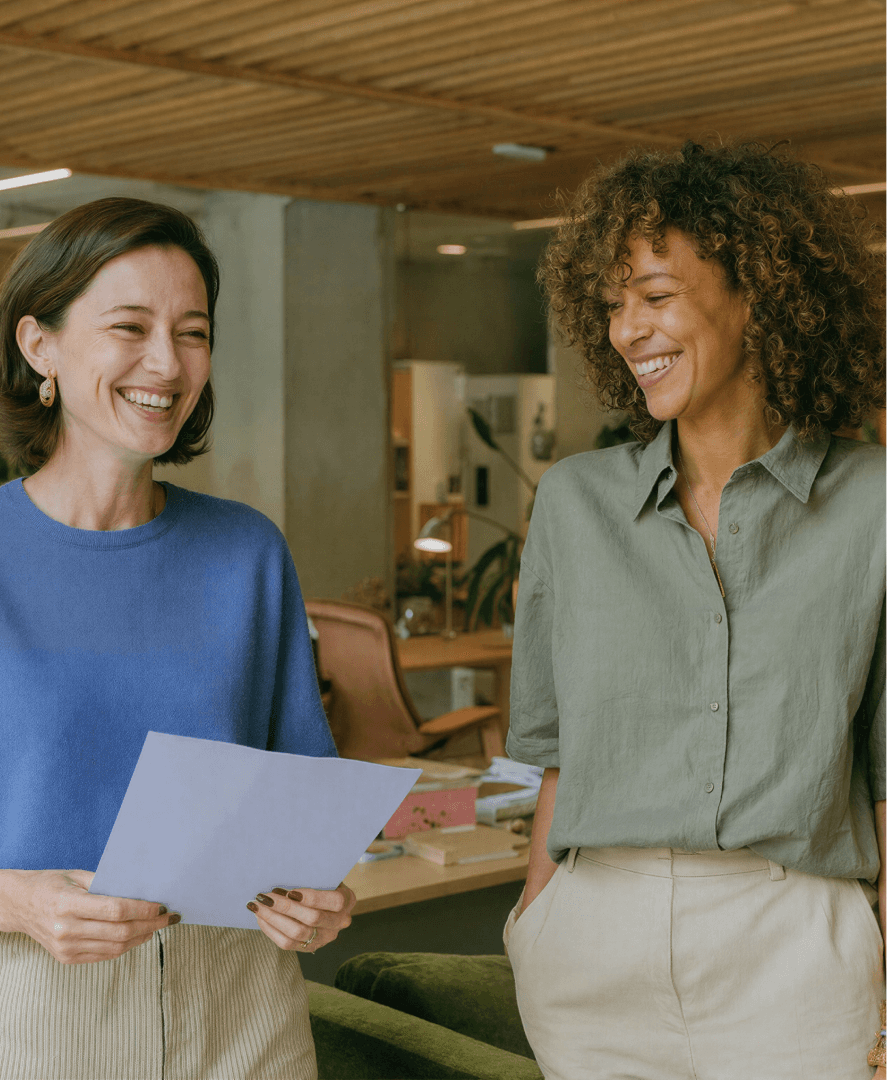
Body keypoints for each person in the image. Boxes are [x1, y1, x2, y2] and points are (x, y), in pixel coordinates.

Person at [504, 141, 886, 1079]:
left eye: (656, 295)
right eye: (611, 304)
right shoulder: (573, 502)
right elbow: (555, 756)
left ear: (759, 290)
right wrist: (534, 921)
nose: (627, 330)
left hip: (795, 941)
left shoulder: (875, 504)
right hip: (590, 939)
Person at [0, 197, 355, 1080]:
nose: (166, 362)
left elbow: (300, 807)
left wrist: (316, 899)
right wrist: (13, 900)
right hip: (37, 1004)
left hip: (242, 1003)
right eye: (129, 326)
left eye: (191, 332)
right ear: (38, 345)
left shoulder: (246, 551)